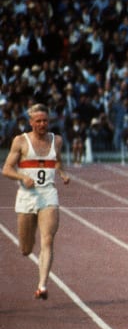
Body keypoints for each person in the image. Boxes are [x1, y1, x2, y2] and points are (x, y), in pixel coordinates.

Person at [2, 104, 71, 300]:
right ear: (31, 123)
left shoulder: (56, 140)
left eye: (45, 121)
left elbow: (57, 160)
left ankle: (42, 285)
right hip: (26, 196)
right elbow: (6, 169)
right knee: (25, 248)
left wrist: (62, 173)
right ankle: (29, 250)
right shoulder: (21, 142)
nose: (42, 124)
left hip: (48, 194)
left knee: (47, 239)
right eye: (38, 121)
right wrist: (22, 178)